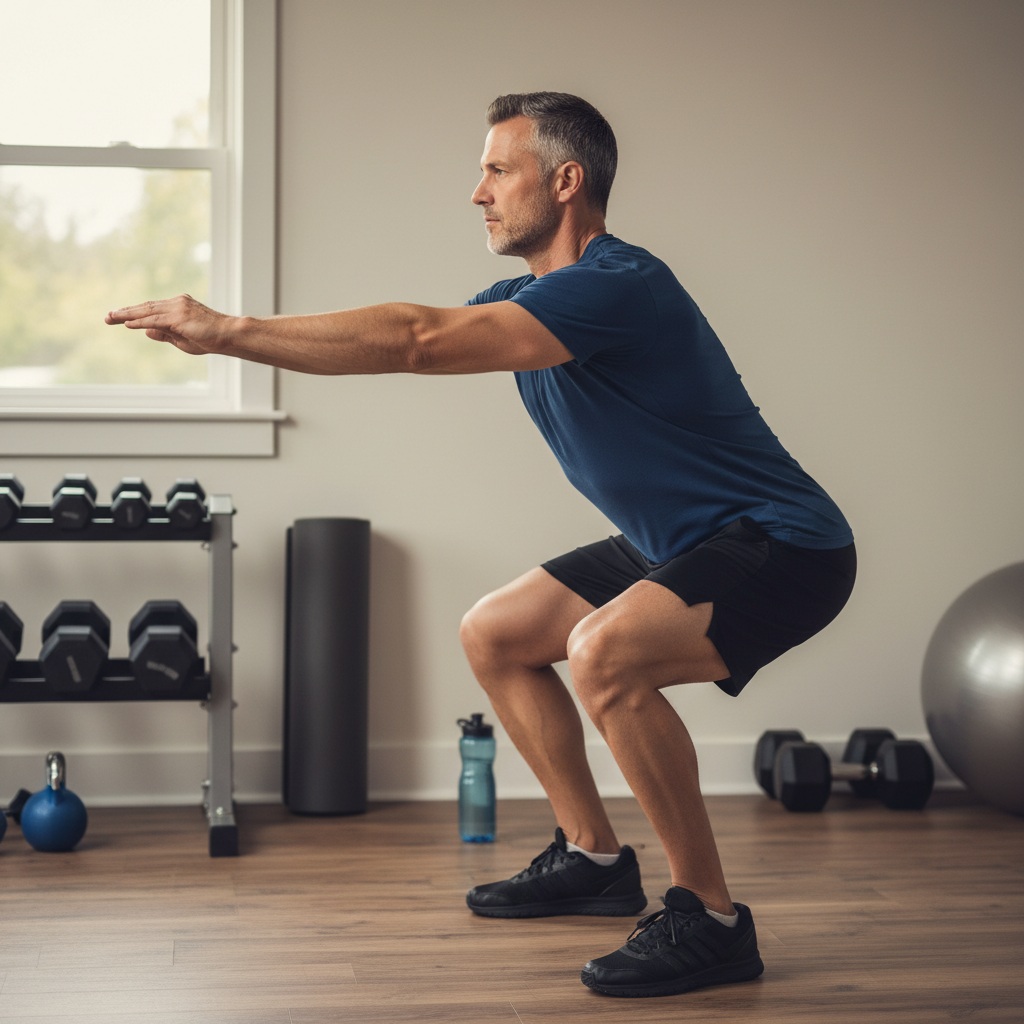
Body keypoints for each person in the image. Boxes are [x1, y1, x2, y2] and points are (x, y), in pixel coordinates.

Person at [106, 92, 856, 998]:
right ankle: (592, 857)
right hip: (678, 541)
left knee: (604, 657)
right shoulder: (528, 299)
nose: (478, 192)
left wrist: (229, 331)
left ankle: (713, 919)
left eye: (499, 169)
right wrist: (247, 345)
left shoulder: (621, 285)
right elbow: (400, 342)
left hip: (785, 542)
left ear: (566, 180)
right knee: (496, 633)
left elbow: (420, 340)